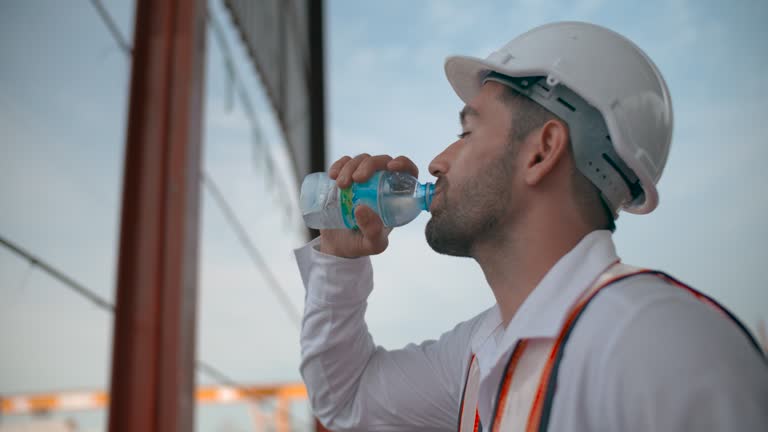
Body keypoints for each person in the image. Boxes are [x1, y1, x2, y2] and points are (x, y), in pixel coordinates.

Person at [294, 22, 767, 431]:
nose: (436, 162)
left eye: (467, 132)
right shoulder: (485, 346)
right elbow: (346, 399)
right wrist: (338, 256)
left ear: (542, 151)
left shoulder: (661, 344)